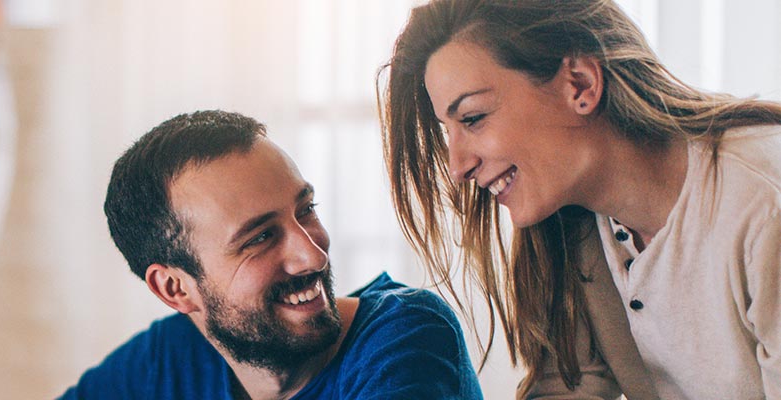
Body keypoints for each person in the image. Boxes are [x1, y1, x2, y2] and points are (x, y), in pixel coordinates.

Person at [380, 0, 781, 399]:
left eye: (472, 118)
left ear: (580, 85)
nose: (458, 166)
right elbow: (569, 386)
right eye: (447, 130)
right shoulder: (578, 224)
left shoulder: (762, 207)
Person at [59, 110, 483, 399]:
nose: (312, 256)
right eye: (259, 238)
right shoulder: (169, 359)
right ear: (175, 289)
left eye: (306, 211)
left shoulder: (405, 339)